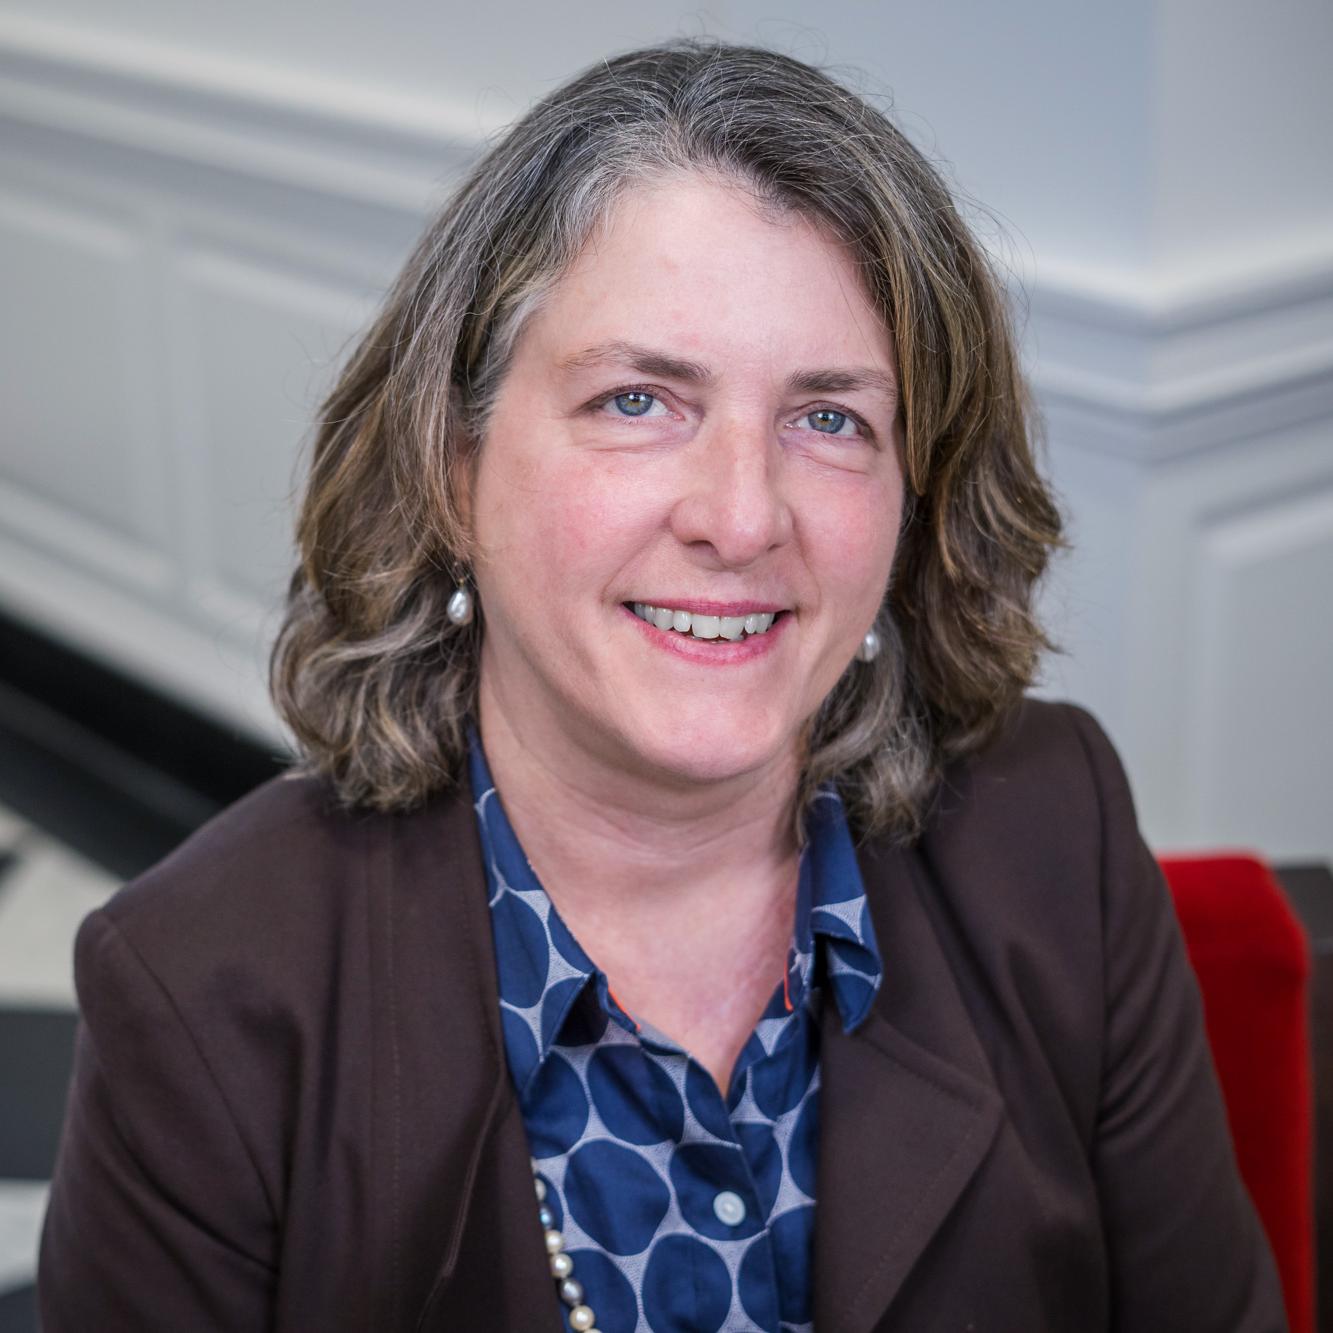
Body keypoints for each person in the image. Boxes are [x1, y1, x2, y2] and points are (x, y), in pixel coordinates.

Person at [38, 39, 1285, 1333]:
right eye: (639, 399)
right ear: (451, 464)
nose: (742, 517)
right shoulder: (207, 987)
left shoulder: (1051, 831)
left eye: (828, 419)